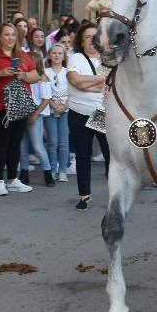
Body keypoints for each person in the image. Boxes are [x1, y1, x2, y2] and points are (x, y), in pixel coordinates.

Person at [0, 22, 34, 195]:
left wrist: (24, 75)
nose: (11, 38)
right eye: (7, 34)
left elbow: (37, 75)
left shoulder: (23, 55)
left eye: (13, 35)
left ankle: (12, 179)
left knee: (15, 142)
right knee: (1, 142)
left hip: (20, 104)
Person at [66, 21, 110, 210]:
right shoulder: (75, 58)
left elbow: (109, 86)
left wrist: (88, 84)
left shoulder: (107, 59)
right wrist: (101, 79)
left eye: (95, 36)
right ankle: (84, 196)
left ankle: (115, 195)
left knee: (111, 156)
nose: (92, 40)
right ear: (81, 41)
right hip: (79, 114)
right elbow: (76, 82)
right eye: (87, 37)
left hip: (101, 113)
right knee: (83, 155)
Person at [19, 51, 54, 187]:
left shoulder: (41, 78)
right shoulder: (24, 77)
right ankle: (24, 173)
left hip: (35, 114)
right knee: (23, 146)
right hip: (23, 113)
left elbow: (46, 99)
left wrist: (35, 114)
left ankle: (48, 173)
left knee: (37, 146)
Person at [42, 43, 71, 184]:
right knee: (53, 142)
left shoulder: (68, 72)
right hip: (50, 109)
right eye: (54, 53)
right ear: (49, 55)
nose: (57, 55)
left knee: (64, 142)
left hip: (65, 110)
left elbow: (73, 91)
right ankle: (53, 169)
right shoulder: (45, 72)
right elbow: (44, 91)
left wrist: (64, 106)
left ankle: (63, 171)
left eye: (60, 53)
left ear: (64, 56)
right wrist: (53, 105)